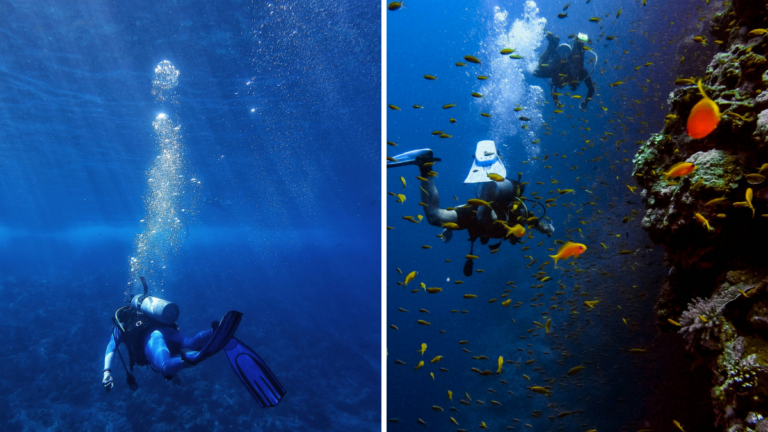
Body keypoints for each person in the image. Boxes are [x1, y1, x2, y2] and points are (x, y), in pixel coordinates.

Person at [102, 277, 286, 408]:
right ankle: (213, 331)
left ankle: (189, 359)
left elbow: (111, 348)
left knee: (165, 366)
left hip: (151, 338)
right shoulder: (146, 312)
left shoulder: (121, 321)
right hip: (165, 330)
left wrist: (107, 372)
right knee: (190, 341)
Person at [388, 141, 555, 276]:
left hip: (480, 215)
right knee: (484, 217)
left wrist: (450, 226)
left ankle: (425, 166)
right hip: (488, 214)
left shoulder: (517, 219)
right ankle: (489, 176)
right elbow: (535, 222)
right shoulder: (520, 217)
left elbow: (467, 208)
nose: (513, 240)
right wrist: (546, 228)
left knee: (434, 217)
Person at [533, 31, 595, 109]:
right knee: (537, 71)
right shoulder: (580, 73)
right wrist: (586, 102)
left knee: (537, 72)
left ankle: (553, 45)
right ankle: (557, 44)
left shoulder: (578, 73)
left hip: (559, 63)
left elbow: (553, 88)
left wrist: (556, 101)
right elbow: (591, 88)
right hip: (563, 61)